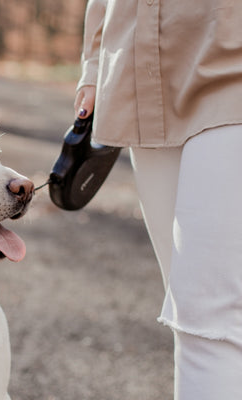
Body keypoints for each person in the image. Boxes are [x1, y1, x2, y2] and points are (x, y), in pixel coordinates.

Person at [73, 1, 242, 399]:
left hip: (228, 53)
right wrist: (95, 62)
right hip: (138, 63)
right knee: (196, 303)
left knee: (206, 318)